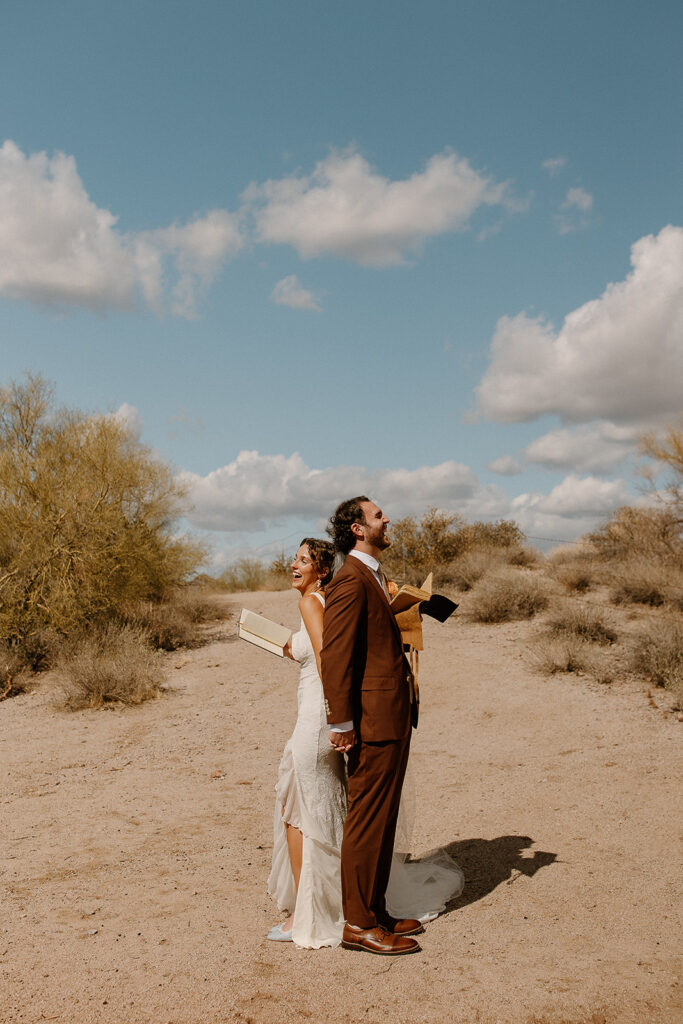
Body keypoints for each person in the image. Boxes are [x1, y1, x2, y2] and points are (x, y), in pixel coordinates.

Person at [320, 496, 423, 956]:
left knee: (384, 818)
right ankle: (358, 924)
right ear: (358, 529)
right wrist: (340, 723)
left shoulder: (375, 576)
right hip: (369, 721)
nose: (387, 519)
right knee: (365, 821)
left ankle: (376, 909)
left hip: (393, 715)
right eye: (378, 515)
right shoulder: (349, 581)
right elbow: (336, 656)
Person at [266, 537, 347, 948]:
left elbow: (324, 659)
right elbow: (313, 649)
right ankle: (338, 901)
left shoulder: (310, 603)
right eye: (294, 558)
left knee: (297, 812)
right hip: (323, 718)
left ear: (322, 570)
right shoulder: (323, 603)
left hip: (316, 721)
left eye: (304, 560)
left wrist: (337, 717)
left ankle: (306, 913)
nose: (294, 564)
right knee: (321, 809)